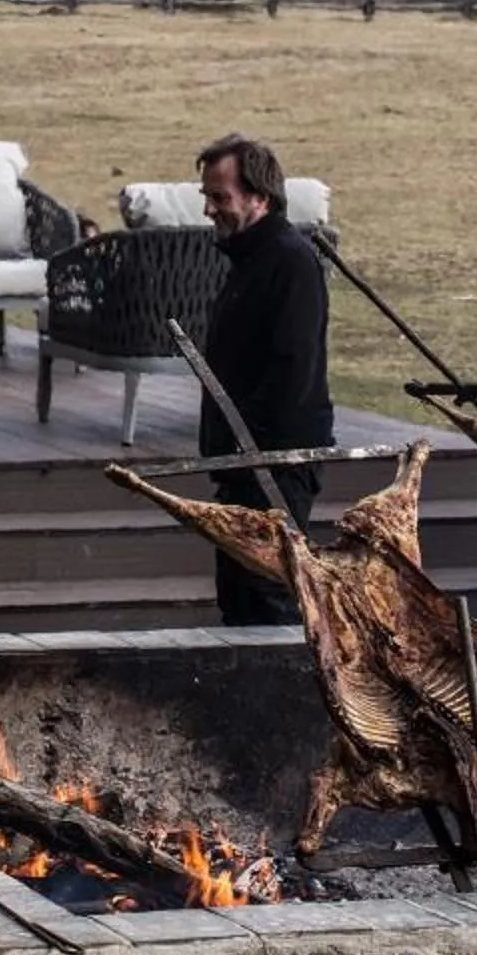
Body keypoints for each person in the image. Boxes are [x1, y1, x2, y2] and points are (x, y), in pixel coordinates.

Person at [194, 132, 334, 627]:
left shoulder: (289, 261)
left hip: (274, 460)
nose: (210, 209)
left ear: (259, 197)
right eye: (207, 196)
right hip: (244, 461)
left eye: (220, 197)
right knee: (240, 598)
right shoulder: (249, 259)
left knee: (266, 600)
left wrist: (248, 446)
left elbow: (292, 370)